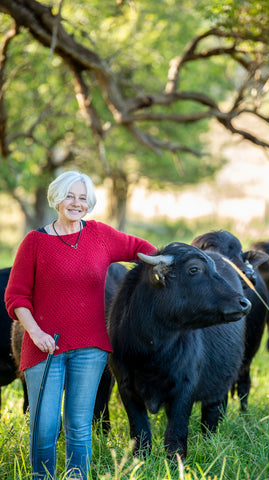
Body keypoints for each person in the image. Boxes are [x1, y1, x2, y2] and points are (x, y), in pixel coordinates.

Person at [5, 170, 156, 480]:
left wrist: (166, 263)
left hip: (90, 350)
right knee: (44, 428)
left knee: (79, 427)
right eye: (70, 196)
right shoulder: (35, 242)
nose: (76, 203)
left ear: (90, 203)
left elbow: (143, 248)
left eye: (83, 198)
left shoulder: (100, 235)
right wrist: (36, 332)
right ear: (57, 198)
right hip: (44, 347)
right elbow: (15, 296)